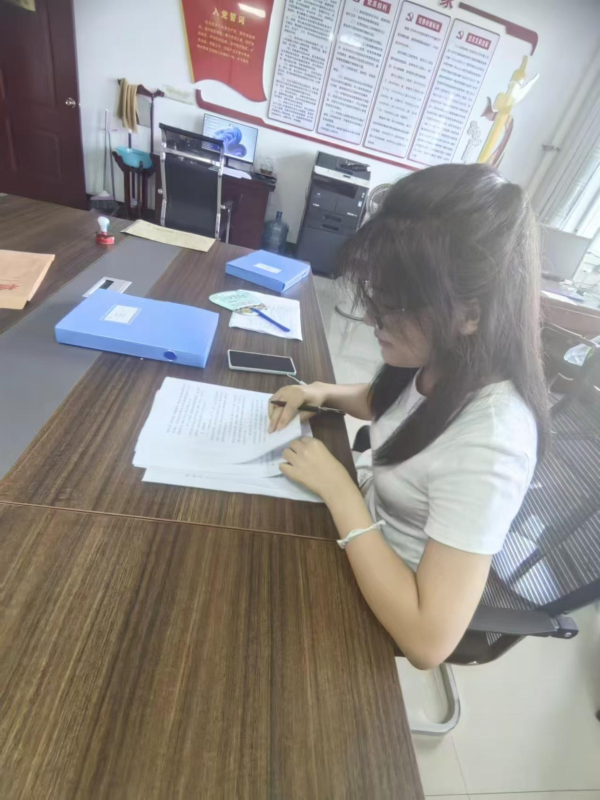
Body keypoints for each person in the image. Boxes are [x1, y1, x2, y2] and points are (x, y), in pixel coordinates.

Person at [268, 163, 549, 670]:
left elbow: (427, 642)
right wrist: (321, 392)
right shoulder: (447, 362)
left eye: (394, 304)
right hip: (360, 529)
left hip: (387, 592)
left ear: (470, 314)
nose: (371, 317)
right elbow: (391, 405)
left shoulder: (492, 443)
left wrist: (339, 489)